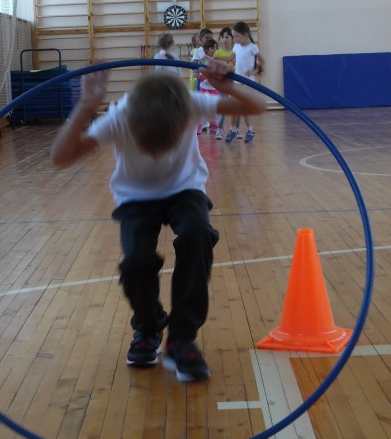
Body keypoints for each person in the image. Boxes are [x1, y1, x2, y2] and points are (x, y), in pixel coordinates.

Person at [50, 58, 267, 381]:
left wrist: (227, 87)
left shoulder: (189, 103)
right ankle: (149, 327)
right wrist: (84, 107)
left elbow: (258, 106)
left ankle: (182, 337)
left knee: (198, 233)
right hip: (136, 197)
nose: (156, 156)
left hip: (184, 190)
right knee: (136, 262)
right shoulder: (120, 115)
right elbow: (60, 157)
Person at [226, 21, 265, 142]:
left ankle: (249, 130)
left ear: (245, 35)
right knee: (234, 106)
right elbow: (229, 58)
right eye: (234, 36)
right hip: (237, 81)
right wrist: (212, 58)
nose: (235, 39)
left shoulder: (252, 47)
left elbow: (263, 62)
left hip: (248, 82)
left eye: (237, 36)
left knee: (243, 106)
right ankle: (232, 130)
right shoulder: (236, 47)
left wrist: (253, 71)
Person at [214, 27, 235, 137]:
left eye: (227, 37)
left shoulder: (236, 52)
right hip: (223, 82)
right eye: (222, 37)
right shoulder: (217, 53)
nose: (224, 39)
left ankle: (235, 129)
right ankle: (220, 129)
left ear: (232, 38)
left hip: (235, 83)